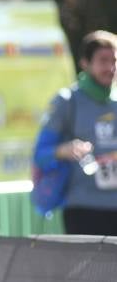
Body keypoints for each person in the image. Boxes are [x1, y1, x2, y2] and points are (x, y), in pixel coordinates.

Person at [34, 29, 117, 234]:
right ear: (85, 63)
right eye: (103, 60)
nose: (110, 67)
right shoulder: (67, 102)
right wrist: (64, 150)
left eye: (114, 60)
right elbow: (40, 155)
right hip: (81, 209)